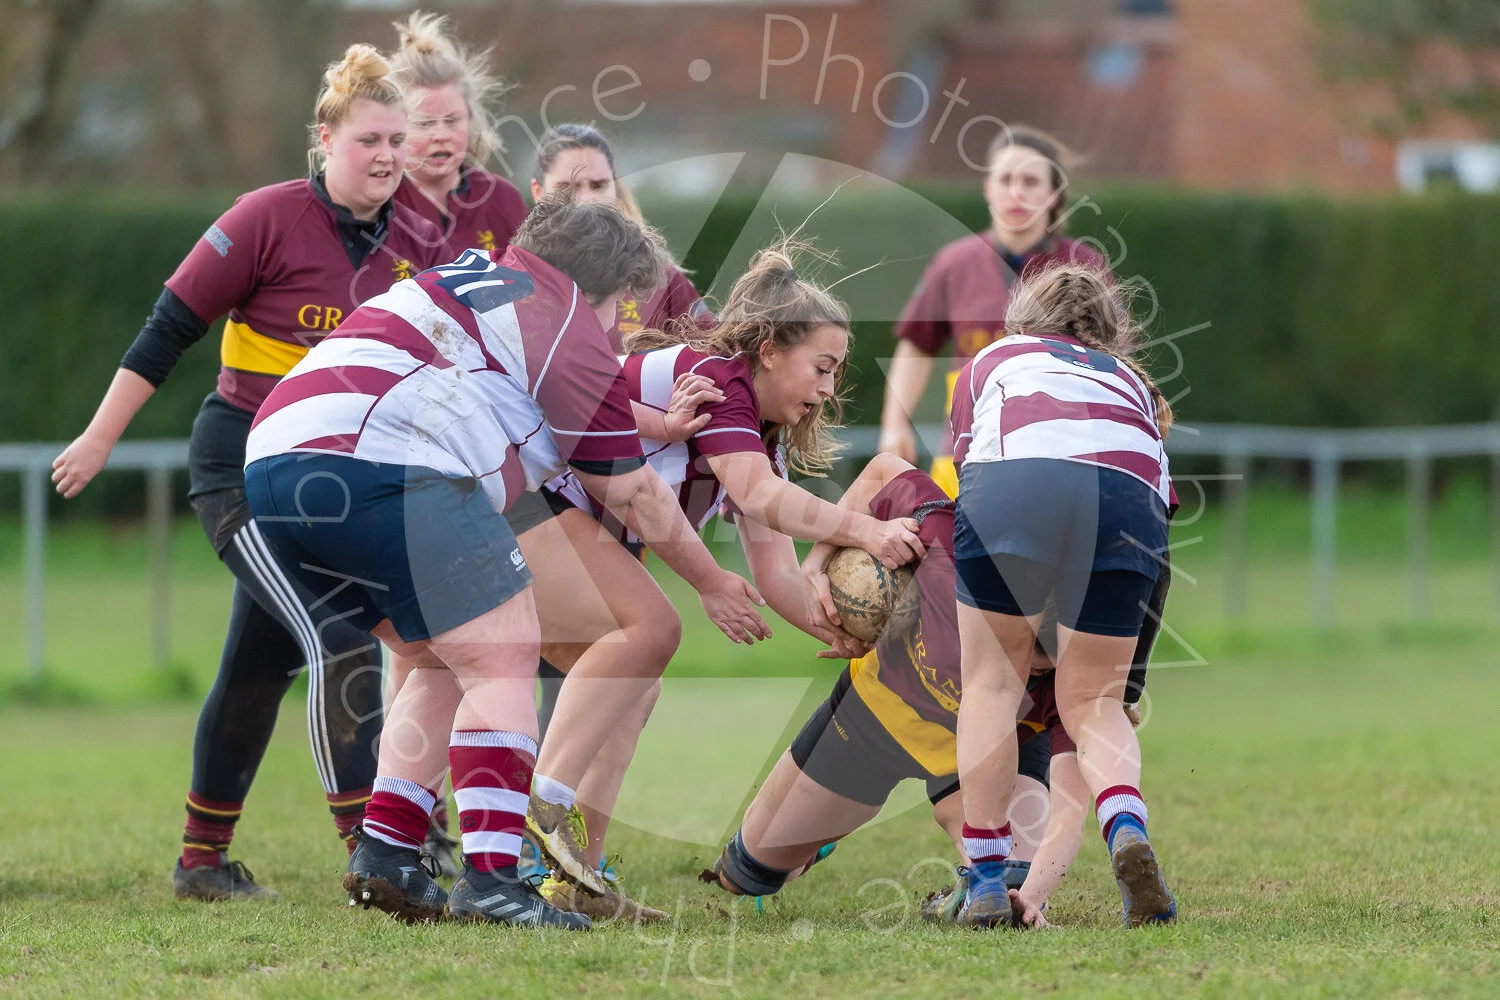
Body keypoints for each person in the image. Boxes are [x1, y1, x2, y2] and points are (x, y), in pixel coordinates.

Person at [243, 198, 769, 929]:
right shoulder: (560, 318)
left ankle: (387, 851)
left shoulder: (477, 276)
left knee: (436, 657)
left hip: (275, 464)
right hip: (375, 458)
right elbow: (635, 492)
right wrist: (711, 583)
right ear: (597, 283)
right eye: (621, 303)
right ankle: (493, 880)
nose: (621, 321)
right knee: (503, 652)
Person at [50, 45, 447, 901]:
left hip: (337, 487)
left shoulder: (420, 240)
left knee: (257, 665)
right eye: (368, 138)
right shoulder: (263, 218)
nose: (385, 156)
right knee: (340, 639)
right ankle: (371, 851)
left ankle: (203, 861)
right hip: (240, 472)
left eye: (397, 140)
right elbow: (165, 332)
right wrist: (98, 439)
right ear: (325, 136)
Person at [510, 243, 923, 920]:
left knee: (634, 686)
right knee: (651, 633)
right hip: (513, 500)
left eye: (836, 373)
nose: (827, 388)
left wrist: (846, 634)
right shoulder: (717, 377)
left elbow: (778, 571)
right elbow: (757, 496)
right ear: (767, 350)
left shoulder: (756, 427)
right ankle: (540, 816)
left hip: (550, 519)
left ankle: (571, 881)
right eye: (821, 368)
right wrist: (867, 532)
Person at [700, 454, 1161, 916]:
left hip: (987, 761)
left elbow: (1069, 808)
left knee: (1011, 882)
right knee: (747, 872)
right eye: (1028, 659)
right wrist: (817, 560)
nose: (1031, 674)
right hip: (876, 718)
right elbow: (882, 471)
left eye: (1045, 668)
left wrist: (1034, 897)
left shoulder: (1069, 685)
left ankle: (956, 899)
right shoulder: (948, 545)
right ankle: (817, 837)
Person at [949, 262, 1177, 929]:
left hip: (1015, 479)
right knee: (1094, 702)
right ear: (1113, 332)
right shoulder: (1133, 382)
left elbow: (968, 466)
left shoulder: (994, 358)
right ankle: (1126, 825)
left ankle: (987, 879)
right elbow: (1161, 497)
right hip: (1129, 501)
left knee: (992, 685)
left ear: (1025, 318)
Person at [878, 126, 1109, 498]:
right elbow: (917, 346)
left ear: (1053, 195)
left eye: (1031, 181)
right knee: (951, 554)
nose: (1016, 192)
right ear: (988, 189)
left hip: (1061, 454)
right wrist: (894, 425)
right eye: (1005, 179)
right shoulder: (954, 263)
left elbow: (1113, 360)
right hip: (963, 454)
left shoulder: (1083, 266)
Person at [530, 123, 715, 352]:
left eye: (598, 185)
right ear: (538, 192)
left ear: (615, 190)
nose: (586, 199)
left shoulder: (661, 279)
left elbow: (715, 357)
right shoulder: (516, 278)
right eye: (567, 187)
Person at [389, 11, 528, 259]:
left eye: (452, 121)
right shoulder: (378, 201)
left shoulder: (502, 200)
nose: (441, 134)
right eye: (425, 123)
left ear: (471, 119)